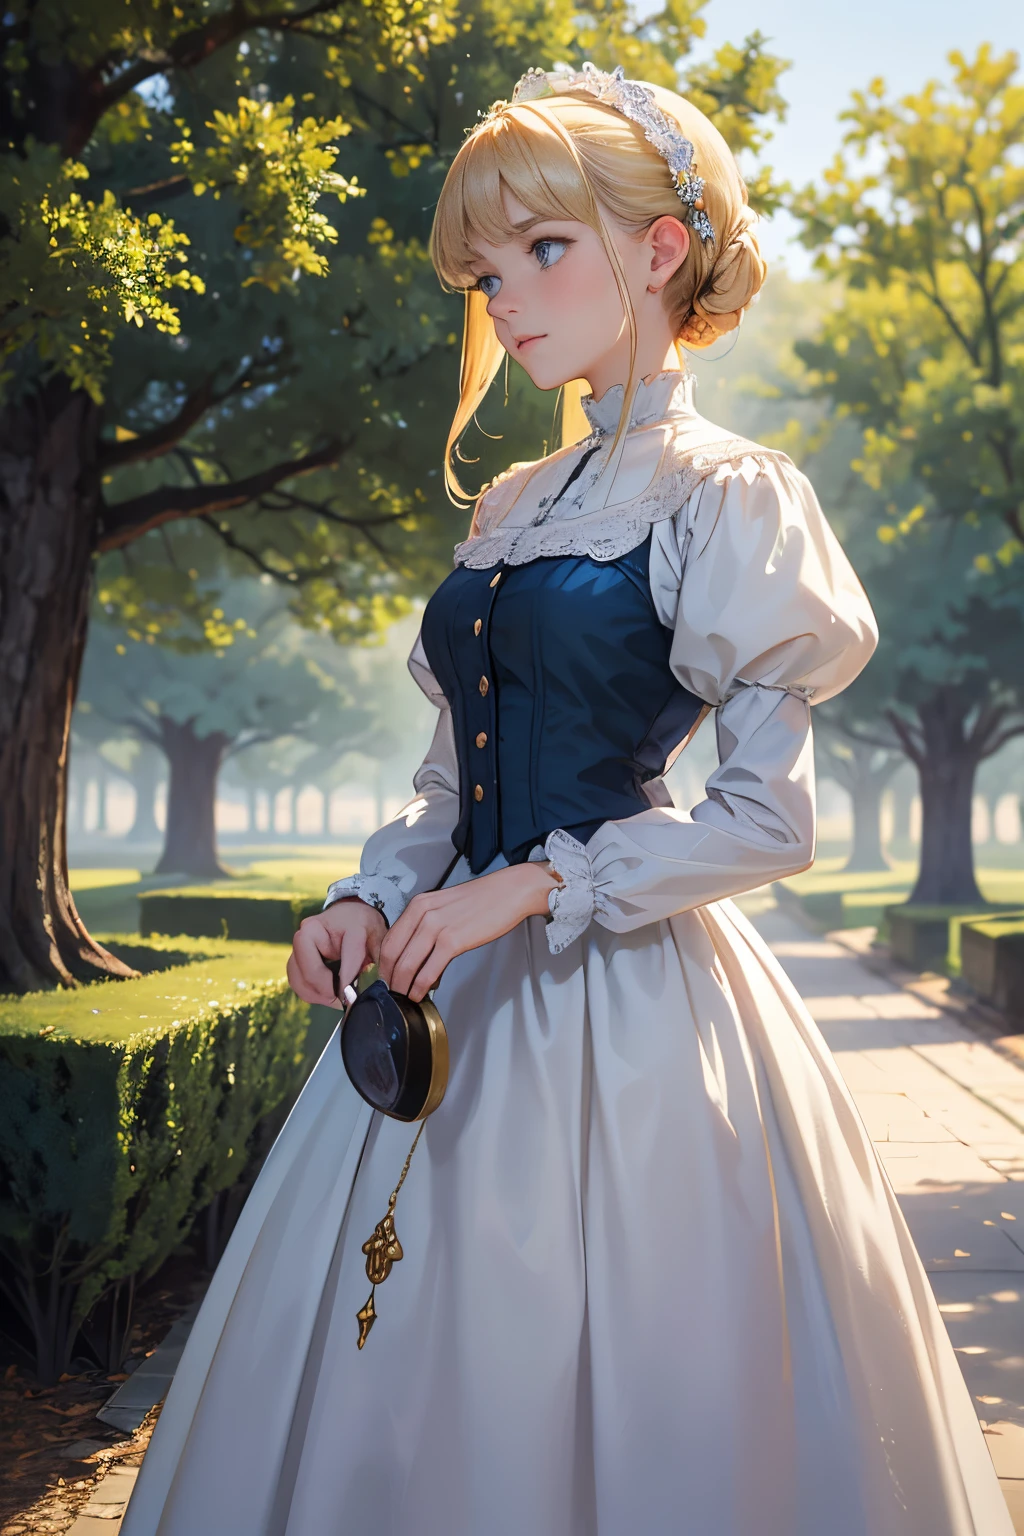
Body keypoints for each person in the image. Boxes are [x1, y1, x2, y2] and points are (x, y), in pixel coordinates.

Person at [120, 64, 1012, 1536]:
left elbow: (769, 821)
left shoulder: (733, 496)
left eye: (543, 249)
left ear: (659, 251)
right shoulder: (511, 503)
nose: (506, 298)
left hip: (637, 1006)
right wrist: (373, 895)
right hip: (442, 983)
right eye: (487, 265)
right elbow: (442, 777)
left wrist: (534, 886)